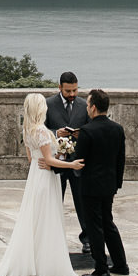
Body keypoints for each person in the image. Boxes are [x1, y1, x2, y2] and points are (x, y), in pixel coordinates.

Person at [0, 92, 86, 276]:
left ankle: (34, 260)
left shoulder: (27, 130)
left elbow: (31, 158)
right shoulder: (42, 131)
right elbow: (49, 160)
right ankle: (46, 264)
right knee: (47, 217)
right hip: (45, 177)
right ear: (40, 109)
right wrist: (71, 164)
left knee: (35, 217)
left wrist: (55, 154)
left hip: (35, 174)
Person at [74, 88, 129, 276]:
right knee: (108, 223)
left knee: (94, 227)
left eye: (88, 104)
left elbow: (78, 160)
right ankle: (121, 264)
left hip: (90, 186)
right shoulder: (117, 129)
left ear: (94, 107)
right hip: (109, 184)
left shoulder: (87, 131)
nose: (87, 108)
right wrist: (117, 183)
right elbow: (120, 159)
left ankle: (101, 268)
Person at [43, 71, 90, 251]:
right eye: (68, 91)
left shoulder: (83, 104)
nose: (72, 94)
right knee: (54, 201)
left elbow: (90, 129)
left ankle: (87, 239)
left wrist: (82, 134)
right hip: (57, 161)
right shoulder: (48, 104)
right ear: (60, 88)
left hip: (78, 161)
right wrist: (56, 133)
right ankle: (52, 238)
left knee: (83, 202)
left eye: (75, 90)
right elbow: (40, 130)